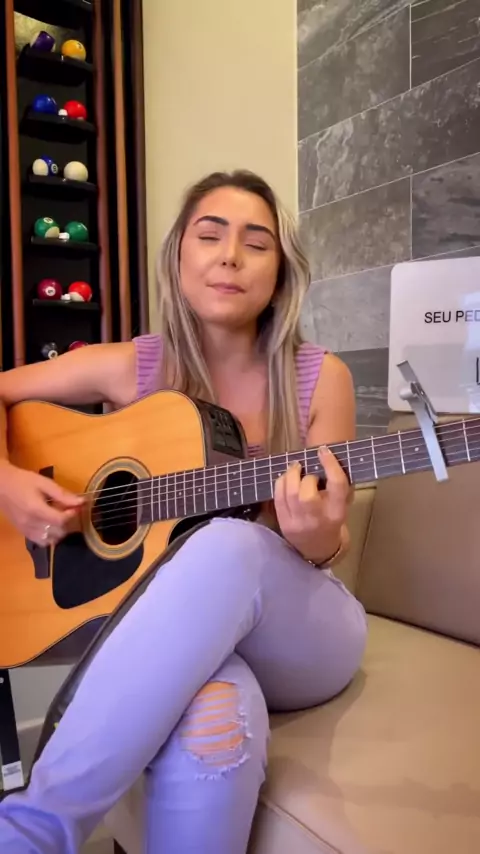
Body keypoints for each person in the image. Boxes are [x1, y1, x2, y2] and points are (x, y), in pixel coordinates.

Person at [0, 170, 367, 854]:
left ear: (280, 274)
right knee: (214, 711)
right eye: (210, 235)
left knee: (227, 542)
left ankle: (28, 834)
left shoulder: (321, 377)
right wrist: (7, 482)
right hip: (187, 633)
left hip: (306, 629)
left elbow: (327, 539)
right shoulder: (135, 367)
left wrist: (317, 536)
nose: (230, 256)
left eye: (256, 243)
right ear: (177, 257)